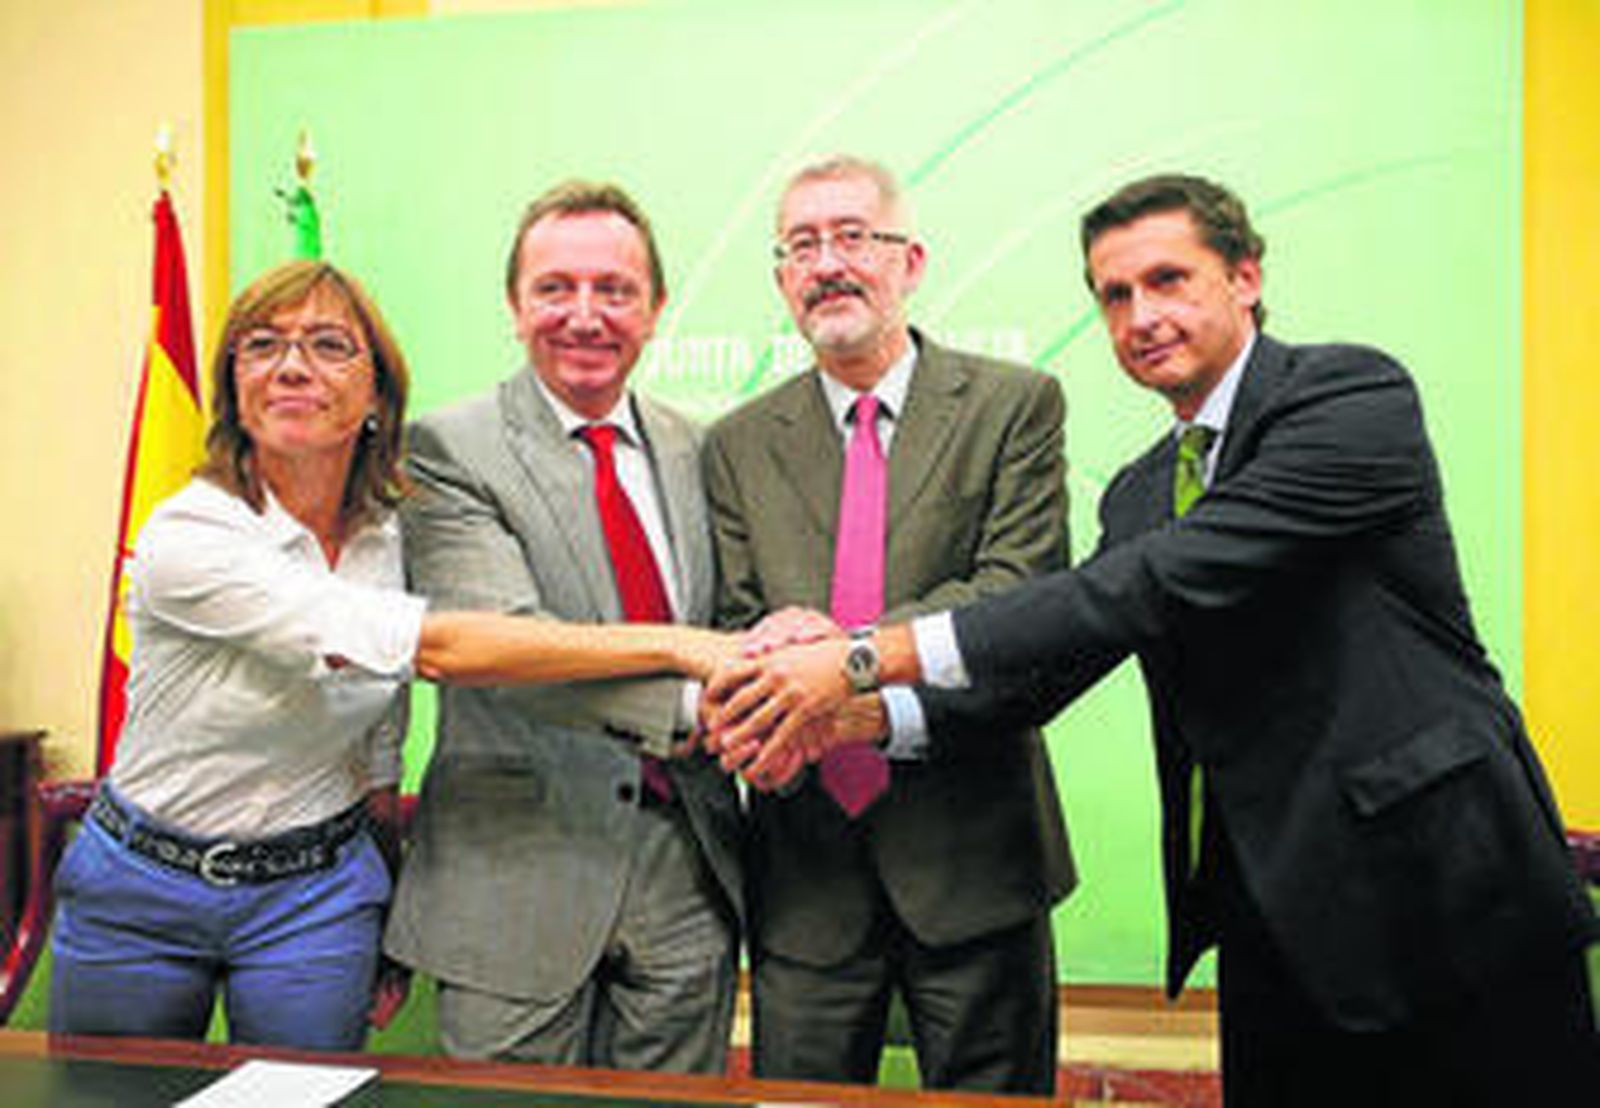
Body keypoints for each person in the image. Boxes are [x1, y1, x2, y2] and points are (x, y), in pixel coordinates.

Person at [709, 174, 1599, 1106]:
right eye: (1115, 295)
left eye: (1170, 279)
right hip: (1269, 913)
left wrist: (857, 656)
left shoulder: (1348, 396)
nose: (1142, 315)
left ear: (1245, 277)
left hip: (1449, 896)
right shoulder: (1139, 493)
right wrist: (839, 717)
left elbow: (1140, 584)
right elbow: (1041, 672)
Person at [49, 260, 733, 1051]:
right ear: (233, 385)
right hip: (146, 885)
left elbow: (379, 737)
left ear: (377, 396)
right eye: (262, 344)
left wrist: (386, 886)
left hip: (315, 893)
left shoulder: (391, 532)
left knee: (300, 1103)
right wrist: (680, 644)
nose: (293, 365)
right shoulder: (190, 538)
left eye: (330, 344)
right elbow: (437, 647)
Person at [700, 156, 1074, 1093]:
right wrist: (766, 660)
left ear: (911, 261)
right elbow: (735, 625)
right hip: (805, 875)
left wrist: (838, 675)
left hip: (976, 860)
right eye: (801, 246)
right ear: (782, 278)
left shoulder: (1012, 406)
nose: (827, 263)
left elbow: (1017, 602)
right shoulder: (738, 443)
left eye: (851, 237)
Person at [383, 181, 743, 1073]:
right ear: (515, 307)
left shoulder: (703, 449)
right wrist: (709, 695)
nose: (585, 315)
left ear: (656, 310)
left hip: (687, 872)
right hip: (516, 875)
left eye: (614, 290)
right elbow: (505, 647)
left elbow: (738, 618)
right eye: (555, 288)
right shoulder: (446, 449)